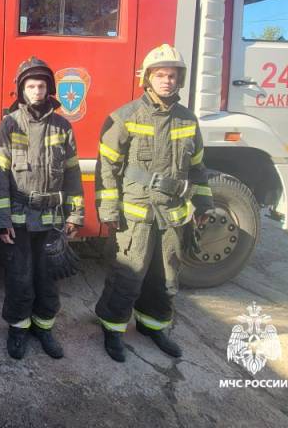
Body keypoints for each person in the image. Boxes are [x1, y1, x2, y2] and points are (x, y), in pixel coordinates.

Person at [94, 44, 214, 362]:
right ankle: (113, 330)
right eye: (160, 75)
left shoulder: (188, 120)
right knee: (127, 276)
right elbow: (107, 166)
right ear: (147, 78)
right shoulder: (125, 116)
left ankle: (154, 326)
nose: (167, 81)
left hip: (172, 215)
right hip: (135, 215)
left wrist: (203, 205)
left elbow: (199, 167)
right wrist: (107, 210)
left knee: (166, 278)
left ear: (180, 80)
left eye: (173, 76)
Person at [0, 57, 84, 360]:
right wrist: (1, 221)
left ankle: (44, 328)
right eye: (30, 85)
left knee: (47, 279)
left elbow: (72, 174)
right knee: (19, 278)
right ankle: (17, 330)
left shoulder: (62, 127)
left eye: (41, 85)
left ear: (49, 89)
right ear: (22, 90)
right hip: (18, 219)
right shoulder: (8, 125)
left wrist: (75, 214)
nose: (37, 91)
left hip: (52, 220)